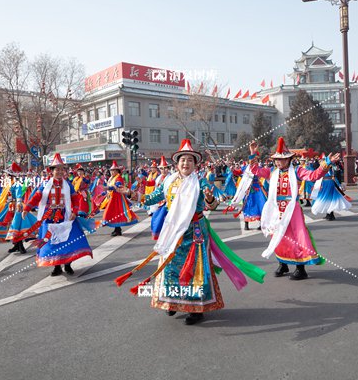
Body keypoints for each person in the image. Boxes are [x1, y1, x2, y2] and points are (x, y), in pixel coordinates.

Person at [114, 139, 265, 325]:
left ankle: (196, 309)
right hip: (172, 233)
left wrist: (210, 199)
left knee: (195, 271)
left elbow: (212, 202)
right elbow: (150, 198)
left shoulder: (200, 182)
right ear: (177, 163)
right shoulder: (168, 182)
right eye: (182, 160)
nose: (186, 163)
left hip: (195, 234)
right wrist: (129, 193)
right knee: (169, 268)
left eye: (190, 160)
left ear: (195, 164)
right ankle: (172, 302)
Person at [249, 138, 339, 280]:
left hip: (293, 209)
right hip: (277, 209)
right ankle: (283, 264)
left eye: (282, 159)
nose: (279, 162)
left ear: (289, 159)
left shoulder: (297, 171)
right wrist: (253, 154)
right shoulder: (272, 171)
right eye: (277, 160)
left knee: (297, 236)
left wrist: (326, 163)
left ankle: (300, 268)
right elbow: (255, 170)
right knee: (278, 236)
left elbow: (313, 175)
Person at [22, 153, 94, 276]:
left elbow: (75, 199)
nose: (60, 172)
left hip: (65, 216)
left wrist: (75, 212)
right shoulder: (45, 184)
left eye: (62, 169)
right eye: (57, 169)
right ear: (52, 171)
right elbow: (37, 197)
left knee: (68, 241)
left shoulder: (68, 185)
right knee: (51, 242)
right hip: (49, 217)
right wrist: (26, 208)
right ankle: (56, 267)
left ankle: (68, 265)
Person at [99, 161, 138, 237]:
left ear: (117, 171)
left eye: (114, 170)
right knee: (114, 213)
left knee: (113, 213)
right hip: (112, 197)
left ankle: (117, 229)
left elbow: (118, 185)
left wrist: (109, 187)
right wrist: (102, 194)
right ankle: (117, 229)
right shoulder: (111, 178)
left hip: (117, 198)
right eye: (111, 170)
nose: (112, 172)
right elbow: (109, 189)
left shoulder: (119, 178)